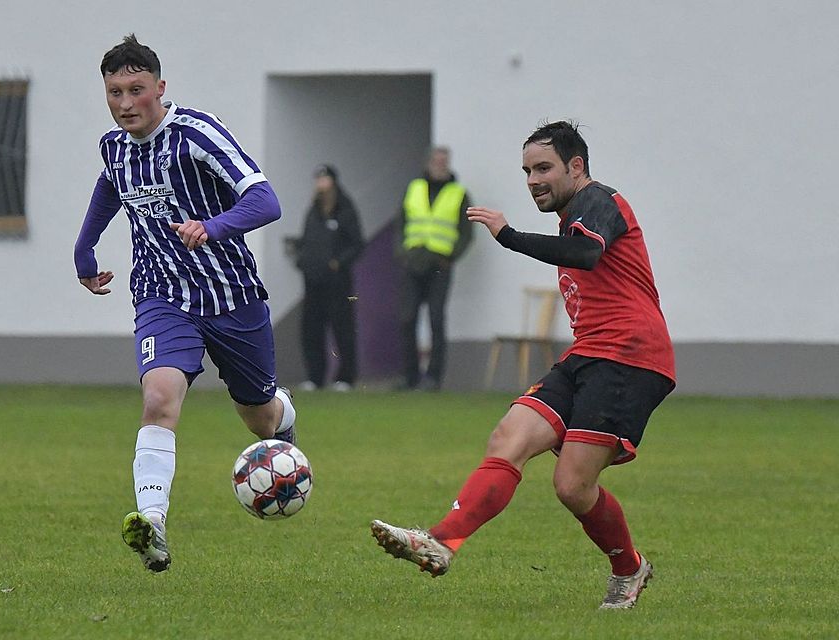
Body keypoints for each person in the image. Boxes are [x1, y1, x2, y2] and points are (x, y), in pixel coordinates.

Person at [371, 121, 675, 610]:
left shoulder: (600, 200)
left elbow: (585, 254)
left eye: (544, 168)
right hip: (587, 353)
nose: (533, 179)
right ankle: (441, 541)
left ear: (576, 166)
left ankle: (629, 569)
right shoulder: (571, 214)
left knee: (572, 486)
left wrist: (508, 235)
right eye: (527, 170)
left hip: (630, 357)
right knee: (507, 439)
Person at [73, 34, 297, 574]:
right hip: (161, 296)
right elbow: (112, 185)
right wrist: (85, 246)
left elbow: (266, 200)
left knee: (260, 417)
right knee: (159, 397)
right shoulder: (115, 145)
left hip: (231, 295)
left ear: (160, 88)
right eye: (114, 92)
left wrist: (212, 226)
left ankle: (284, 414)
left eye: (136, 90)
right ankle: (152, 521)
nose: (125, 103)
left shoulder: (197, 133)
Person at [395, 146, 473, 391]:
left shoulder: (458, 193)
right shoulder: (414, 188)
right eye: (436, 160)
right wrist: (402, 253)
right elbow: (401, 222)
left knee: (436, 320)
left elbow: (466, 232)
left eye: (444, 161)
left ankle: (433, 378)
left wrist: (451, 256)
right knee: (407, 319)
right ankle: (410, 377)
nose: (440, 165)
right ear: (428, 162)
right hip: (413, 262)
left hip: (440, 264)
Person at [294, 164, 364, 391]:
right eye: (318, 180)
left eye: (324, 180)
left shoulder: (345, 208)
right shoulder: (313, 209)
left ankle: (345, 377)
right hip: (313, 280)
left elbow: (357, 244)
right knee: (311, 329)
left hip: (337, 283)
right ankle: (315, 377)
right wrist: (303, 260)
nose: (320, 185)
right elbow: (307, 240)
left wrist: (337, 263)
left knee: (342, 328)